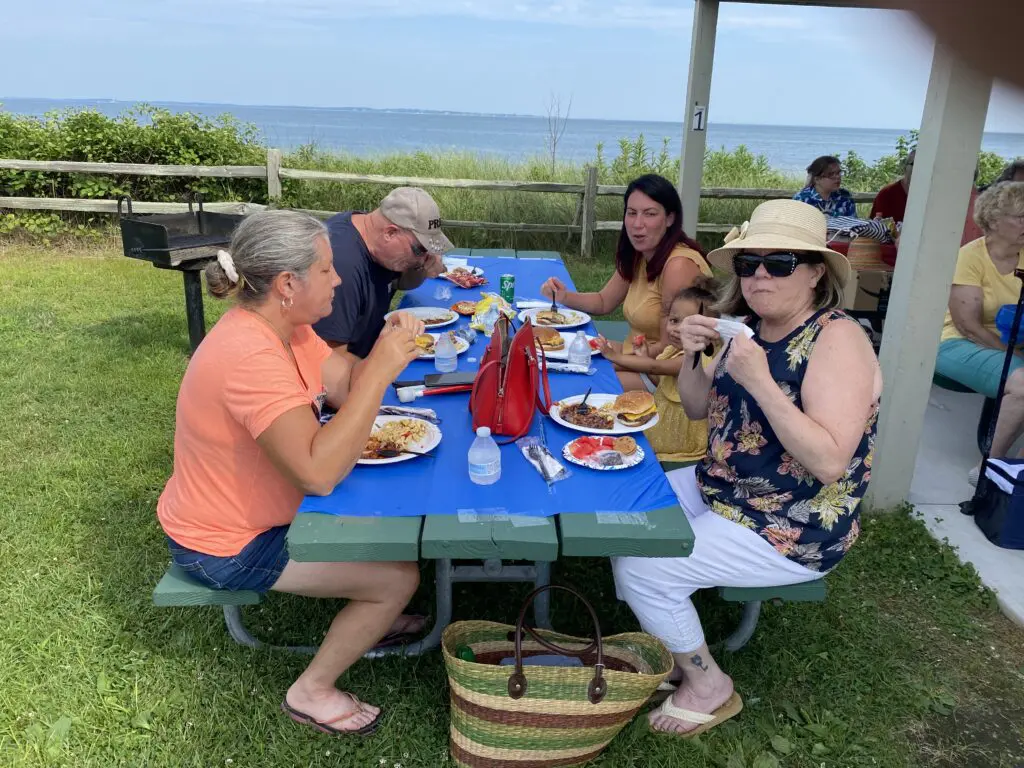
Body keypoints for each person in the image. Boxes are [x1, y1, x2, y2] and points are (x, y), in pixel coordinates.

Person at [612, 199, 881, 736]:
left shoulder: (837, 338)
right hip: (726, 484)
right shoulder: (749, 328)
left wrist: (758, 379)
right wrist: (691, 355)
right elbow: (694, 406)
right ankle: (672, 640)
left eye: (778, 262)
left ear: (813, 273)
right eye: (748, 263)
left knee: (644, 567)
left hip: (794, 521)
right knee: (624, 512)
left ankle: (710, 685)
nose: (759, 275)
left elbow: (830, 462)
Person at [157, 209, 427, 735]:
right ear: (287, 284)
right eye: (326, 270)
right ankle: (313, 689)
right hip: (225, 543)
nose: (340, 278)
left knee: (395, 526)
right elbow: (319, 474)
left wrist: (385, 349)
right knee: (400, 577)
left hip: (263, 512)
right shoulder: (248, 357)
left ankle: (371, 621)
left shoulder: (288, 329)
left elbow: (345, 388)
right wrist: (383, 372)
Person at [539, 173, 713, 391]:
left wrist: (613, 357)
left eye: (650, 214)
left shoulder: (678, 266)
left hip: (668, 380)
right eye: (632, 213)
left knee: (573, 382)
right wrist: (563, 296)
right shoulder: (642, 253)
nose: (637, 224)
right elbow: (603, 301)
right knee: (555, 358)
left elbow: (669, 348)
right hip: (639, 360)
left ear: (670, 218)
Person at [934, 182, 1024, 484]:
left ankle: (1019, 472)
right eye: (1021, 217)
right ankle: (991, 465)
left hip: (1013, 344)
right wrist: (1015, 353)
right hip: (957, 343)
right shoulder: (970, 257)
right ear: (995, 221)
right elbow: (968, 326)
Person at [313, 186, 454, 362]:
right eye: (420, 249)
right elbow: (329, 361)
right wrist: (386, 365)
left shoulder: (374, 235)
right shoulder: (342, 266)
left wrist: (423, 266)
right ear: (390, 232)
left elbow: (401, 283)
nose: (423, 258)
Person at [598, 280, 718, 462]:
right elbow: (658, 379)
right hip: (664, 418)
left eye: (689, 324)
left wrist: (615, 356)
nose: (678, 329)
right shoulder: (672, 350)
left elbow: (655, 367)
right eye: (674, 321)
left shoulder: (696, 358)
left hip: (680, 432)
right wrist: (644, 355)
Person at [792, 156, 857, 218]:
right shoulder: (801, 199)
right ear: (817, 179)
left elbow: (853, 225)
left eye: (838, 173)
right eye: (831, 174)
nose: (837, 177)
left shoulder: (845, 196)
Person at [870, 150, 915, 223]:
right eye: (914, 163)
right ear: (905, 167)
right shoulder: (887, 193)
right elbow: (876, 227)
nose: (919, 168)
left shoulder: (932, 196)